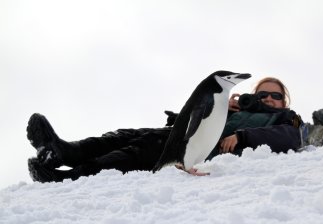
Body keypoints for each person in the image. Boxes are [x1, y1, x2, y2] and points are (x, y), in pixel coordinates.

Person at [27, 77, 304, 183]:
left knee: (133, 153)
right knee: (125, 136)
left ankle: (69, 176)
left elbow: (290, 137)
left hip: (195, 150)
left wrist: (243, 135)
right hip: (181, 136)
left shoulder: (286, 119)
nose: (269, 99)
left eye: (276, 96)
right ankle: (64, 151)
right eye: (262, 94)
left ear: (285, 102)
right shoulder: (233, 111)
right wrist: (223, 110)